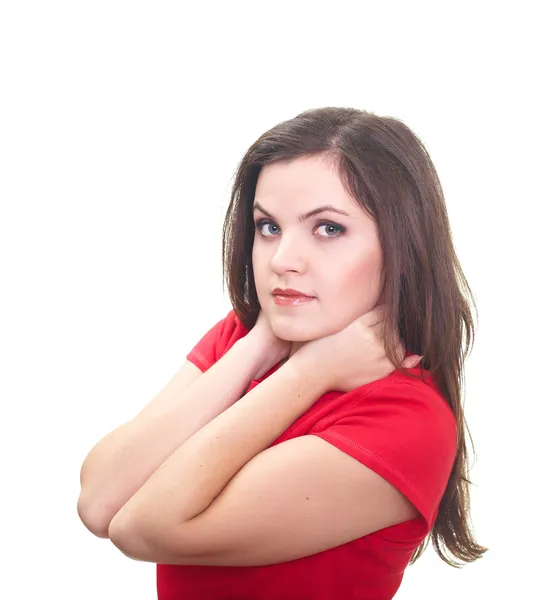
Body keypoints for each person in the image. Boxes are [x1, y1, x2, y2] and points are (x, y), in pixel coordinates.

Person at [77, 107, 487, 599]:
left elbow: (142, 528)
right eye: (268, 227)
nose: (283, 261)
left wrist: (306, 375)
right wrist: (258, 347)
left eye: (328, 229)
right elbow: (100, 502)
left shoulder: (408, 420)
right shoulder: (248, 338)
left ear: (404, 249)